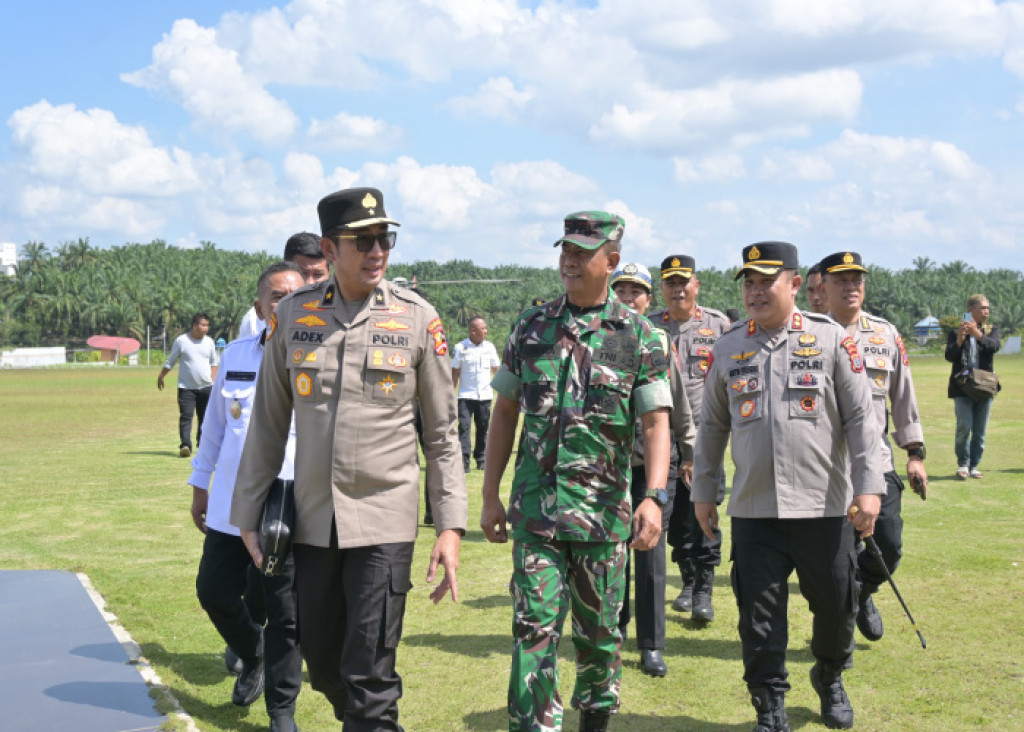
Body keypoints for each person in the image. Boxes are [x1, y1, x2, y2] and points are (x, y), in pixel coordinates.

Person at [231, 187, 467, 731]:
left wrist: (450, 525)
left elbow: (442, 433)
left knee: (369, 673)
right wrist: (247, 514)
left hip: (384, 521)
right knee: (322, 663)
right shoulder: (292, 315)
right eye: (363, 241)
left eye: (385, 238)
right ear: (331, 250)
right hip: (314, 522)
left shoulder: (415, 318)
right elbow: (268, 423)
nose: (378, 250)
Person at [480, 212, 672, 732]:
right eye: (564, 249)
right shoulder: (532, 326)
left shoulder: (641, 337)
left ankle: (594, 721)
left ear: (610, 260)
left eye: (582, 252)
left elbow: (655, 424)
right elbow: (504, 413)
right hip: (537, 514)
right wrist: (490, 495)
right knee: (533, 631)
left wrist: (653, 496)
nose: (568, 259)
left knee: (600, 637)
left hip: (603, 516)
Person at [692, 242, 885, 732]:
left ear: (796, 285)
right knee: (758, 620)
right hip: (756, 510)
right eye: (748, 283)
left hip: (824, 508)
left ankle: (829, 674)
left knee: (837, 609)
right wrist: (704, 491)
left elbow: (863, 419)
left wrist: (869, 487)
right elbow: (712, 424)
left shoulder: (830, 339)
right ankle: (770, 704)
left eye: (765, 282)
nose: (755, 292)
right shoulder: (729, 345)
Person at [190, 262, 306, 732]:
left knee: (284, 612)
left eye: (295, 295)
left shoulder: (319, 357)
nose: (284, 303)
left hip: (286, 501)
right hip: (230, 502)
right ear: (259, 305)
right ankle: (252, 653)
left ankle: (282, 713)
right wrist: (200, 486)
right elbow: (215, 429)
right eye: (276, 296)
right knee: (213, 591)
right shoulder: (236, 355)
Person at [820, 250, 928, 643]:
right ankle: (841, 629)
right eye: (841, 280)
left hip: (876, 458)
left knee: (890, 544)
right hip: (828, 464)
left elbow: (902, 397)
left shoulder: (885, 334)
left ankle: (864, 592)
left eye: (857, 279)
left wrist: (914, 453)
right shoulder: (808, 333)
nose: (851, 287)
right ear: (823, 287)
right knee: (838, 556)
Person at [610, 262, 695, 678]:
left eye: (636, 292)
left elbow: (676, 404)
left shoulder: (659, 340)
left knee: (649, 554)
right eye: (620, 290)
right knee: (609, 555)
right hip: (607, 467)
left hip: (650, 468)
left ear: (648, 299)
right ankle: (613, 630)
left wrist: (692, 454)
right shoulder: (597, 337)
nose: (628, 298)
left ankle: (651, 644)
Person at [649, 254, 730, 623]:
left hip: (706, 439)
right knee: (679, 518)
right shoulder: (650, 328)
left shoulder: (719, 326)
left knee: (706, 512)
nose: (678, 289)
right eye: (670, 283)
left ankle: (704, 591)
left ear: (696, 284)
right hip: (665, 440)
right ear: (662, 288)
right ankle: (687, 582)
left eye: (684, 282)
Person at [945, 294, 1000, 479]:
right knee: (964, 426)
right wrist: (960, 340)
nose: (986, 312)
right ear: (971, 309)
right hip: (962, 386)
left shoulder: (991, 330)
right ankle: (963, 464)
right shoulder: (956, 331)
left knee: (980, 431)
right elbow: (949, 356)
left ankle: (974, 465)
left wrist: (978, 335)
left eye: (988, 309)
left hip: (985, 386)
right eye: (982, 308)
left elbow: (995, 346)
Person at [240, 232, 331, 338]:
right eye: (303, 274)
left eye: (318, 274)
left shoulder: (341, 313)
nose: (310, 282)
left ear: (329, 272)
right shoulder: (254, 320)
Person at [158, 313, 219, 457]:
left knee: (205, 418)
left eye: (207, 325)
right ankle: (185, 445)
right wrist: (161, 376)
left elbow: (214, 363)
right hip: (186, 388)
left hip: (206, 387)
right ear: (195, 325)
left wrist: (214, 381)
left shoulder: (209, 342)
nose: (205, 328)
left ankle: (202, 445)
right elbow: (171, 361)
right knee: (186, 417)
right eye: (202, 325)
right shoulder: (181, 341)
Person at [451, 316, 501, 472]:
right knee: (464, 428)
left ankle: (481, 460)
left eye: (486, 328)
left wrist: (504, 393)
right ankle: (464, 462)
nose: (486, 331)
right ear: (473, 330)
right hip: (465, 396)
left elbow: (496, 371)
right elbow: (455, 373)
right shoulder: (460, 348)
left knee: (483, 428)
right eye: (483, 328)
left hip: (485, 396)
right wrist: (449, 395)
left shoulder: (490, 347)